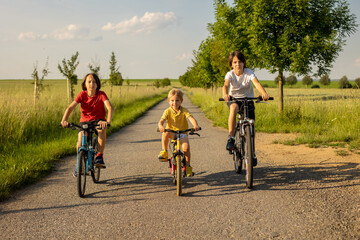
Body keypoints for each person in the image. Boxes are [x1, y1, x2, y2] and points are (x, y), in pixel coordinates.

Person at [222, 51, 269, 166]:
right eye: (235, 62)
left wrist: (264, 93)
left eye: (240, 62)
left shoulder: (249, 72)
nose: (238, 64)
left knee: (251, 125)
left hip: (248, 99)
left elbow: (256, 83)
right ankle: (232, 138)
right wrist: (225, 94)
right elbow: (226, 85)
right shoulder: (230, 74)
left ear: (244, 63)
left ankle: (252, 151)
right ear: (231, 65)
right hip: (234, 99)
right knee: (233, 108)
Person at [61, 73, 113, 170]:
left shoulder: (101, 94)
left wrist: (107, 122)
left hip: (98, 120)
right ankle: (79, 161)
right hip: (85, 121)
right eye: (89, 81)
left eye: (94, 82)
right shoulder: (82, 95)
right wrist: (64, 120)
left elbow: (110, 108)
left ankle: (99, 156)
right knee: (80, 141)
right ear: (85, 84)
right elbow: (70, 108)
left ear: (97, 85)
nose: (91, 84)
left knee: (101, 130)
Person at [158, 88, 200, 176]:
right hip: (172, 132)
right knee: (164, 133)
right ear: (169, 101)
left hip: (182, 133)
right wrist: (161, 126)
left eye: (177, 100)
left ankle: (188, 167)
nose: (175, 103)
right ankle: (164, 151)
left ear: (181, 101)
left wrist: (195, 125)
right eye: (172, 100)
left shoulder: (184, 110)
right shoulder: (167, 111)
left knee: (186, 148)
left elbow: (190, 118)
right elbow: (161, 121)